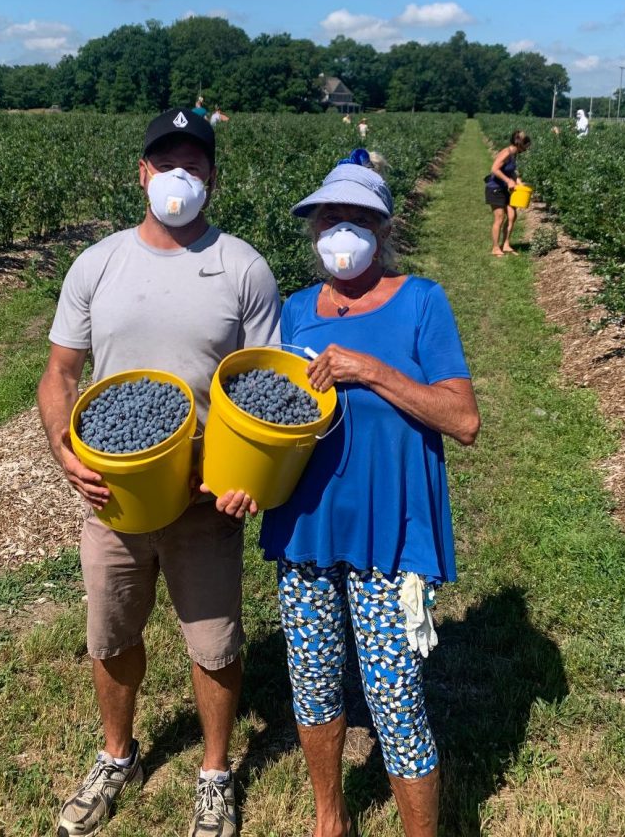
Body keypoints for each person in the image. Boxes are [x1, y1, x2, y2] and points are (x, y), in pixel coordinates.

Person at [216, 150, 480, 837]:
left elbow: (463, 420)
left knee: (396, 702)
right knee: (313, 688)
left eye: (358, 217)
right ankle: (329, 819)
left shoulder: (422, 302)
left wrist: (372, 371)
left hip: (389, 534)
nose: (342, 230)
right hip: (306, 528)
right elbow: (267, 411)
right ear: (312, 229)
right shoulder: (294, 312)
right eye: (329, 216)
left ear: (384, 229)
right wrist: (242, 476)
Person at [38, 107, 281, 837]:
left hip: (203, 496)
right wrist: (62, 447)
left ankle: (213, 771)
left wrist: (248, 476)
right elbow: (59, 374)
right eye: (165, 162)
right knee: (111, 635)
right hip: (113, 495)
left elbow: (263, 389)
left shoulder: (242, 267)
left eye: (195, 163)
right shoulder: (99, 262)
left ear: (213, 177)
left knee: (215, 645)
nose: (180, 176)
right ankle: (118, 756)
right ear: (141, 173)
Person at [484, 129, 531, 257]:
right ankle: (495, 248)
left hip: (506, 189)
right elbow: (494, 169)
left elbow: (510, 171)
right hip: (495, 188)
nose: (528, 148)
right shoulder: (506, 152)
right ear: (521, 144)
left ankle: (506, 244)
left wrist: (519, 182)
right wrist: (508, 181)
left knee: (512, 216)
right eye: (527, 145)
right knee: (499, 217)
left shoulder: (514, 154)